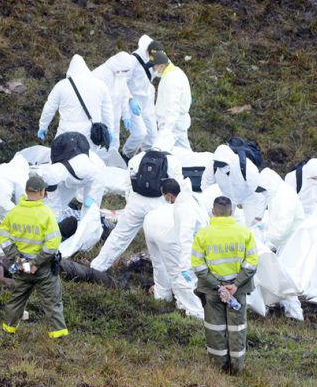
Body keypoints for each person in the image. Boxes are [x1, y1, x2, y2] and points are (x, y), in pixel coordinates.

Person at [191, 196, 258, 375]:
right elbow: (252, 263)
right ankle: (237, 369)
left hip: (212, 290)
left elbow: (198, 266)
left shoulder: (202, 234)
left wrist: (218, 286)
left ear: (213, 212)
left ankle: (218, 368)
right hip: (237, 290)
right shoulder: (245, 233)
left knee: (215, 328)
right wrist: (235, 285)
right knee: (237, 328)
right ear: (232, 212)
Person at [89, 149, 183, 272]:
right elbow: (178, 189)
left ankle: (97, 267)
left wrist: (130, 204)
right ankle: (172, 274)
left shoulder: (137, 158)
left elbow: (129, 184)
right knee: (164, 240)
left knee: (120, 235)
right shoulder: (174, 161)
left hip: (136, 202)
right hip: (160, 204)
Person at [0, 175, 67, 339]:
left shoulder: (14, 213)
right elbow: (53, 243)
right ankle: (59, 337)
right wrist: (36, 263)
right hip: (43, 268)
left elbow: (3, 237)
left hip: (21, 266)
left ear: (27, 191)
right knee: (52, 303)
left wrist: (18, 259)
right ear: (42, 192)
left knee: (16, 300)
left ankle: (7, 332)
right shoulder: (46, 214)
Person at [141, 179, 205, 319]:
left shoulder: (183, 208)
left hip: (158, 230)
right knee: (177, 275)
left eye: (164, 196)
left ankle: (192, 311)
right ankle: (183, 306)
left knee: (176, 275)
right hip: (165, 233)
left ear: (169, 195)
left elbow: (185, 238)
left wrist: (184, 265)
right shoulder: (190, 200)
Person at [255, 168, 305, 320]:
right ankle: (283, 308)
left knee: (285, 278)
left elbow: (283, 225)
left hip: (291, 242)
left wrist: (268, 240)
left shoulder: (285, 196)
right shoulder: (275, 193)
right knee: (278, 276)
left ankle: (295, 315)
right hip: (282, 241)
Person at [37, 55, 113, 147]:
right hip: (90, 134)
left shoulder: (61, 86)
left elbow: (49, 108)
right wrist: (110, 129)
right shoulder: (100, 85)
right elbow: (107, 110)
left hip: (66, 131)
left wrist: (43, 126)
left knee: (62, 158)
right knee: (89, 159)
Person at [91, 52, 148, 159]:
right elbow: (92, 97)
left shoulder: (120, 74)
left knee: (113, 146)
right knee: (98, 147)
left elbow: (123, 95)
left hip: (114, 116)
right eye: (125, 71)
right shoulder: (100, 74)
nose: (126, 73)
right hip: (100, 118)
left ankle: (111, 168)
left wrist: (126, 115)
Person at [147, 49, 193, 150]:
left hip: (172, 126)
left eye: (154, 67)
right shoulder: (173, 72)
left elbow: (172, 108)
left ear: (162, 66)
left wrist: (166, 131)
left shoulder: (171, 80)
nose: (154, 70)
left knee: (158, 153)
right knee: (184, 152)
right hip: (176, 124)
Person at [211, 144, 265, 226]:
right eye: (218, 164)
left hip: (249, 196)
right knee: (222, 224)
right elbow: (206, 184)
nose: (220, 166)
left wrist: (259, 215)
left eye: (223, 164)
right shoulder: (213, 166)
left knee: (253, 225)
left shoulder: (246, 166)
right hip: (228, 197)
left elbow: (259, 190)